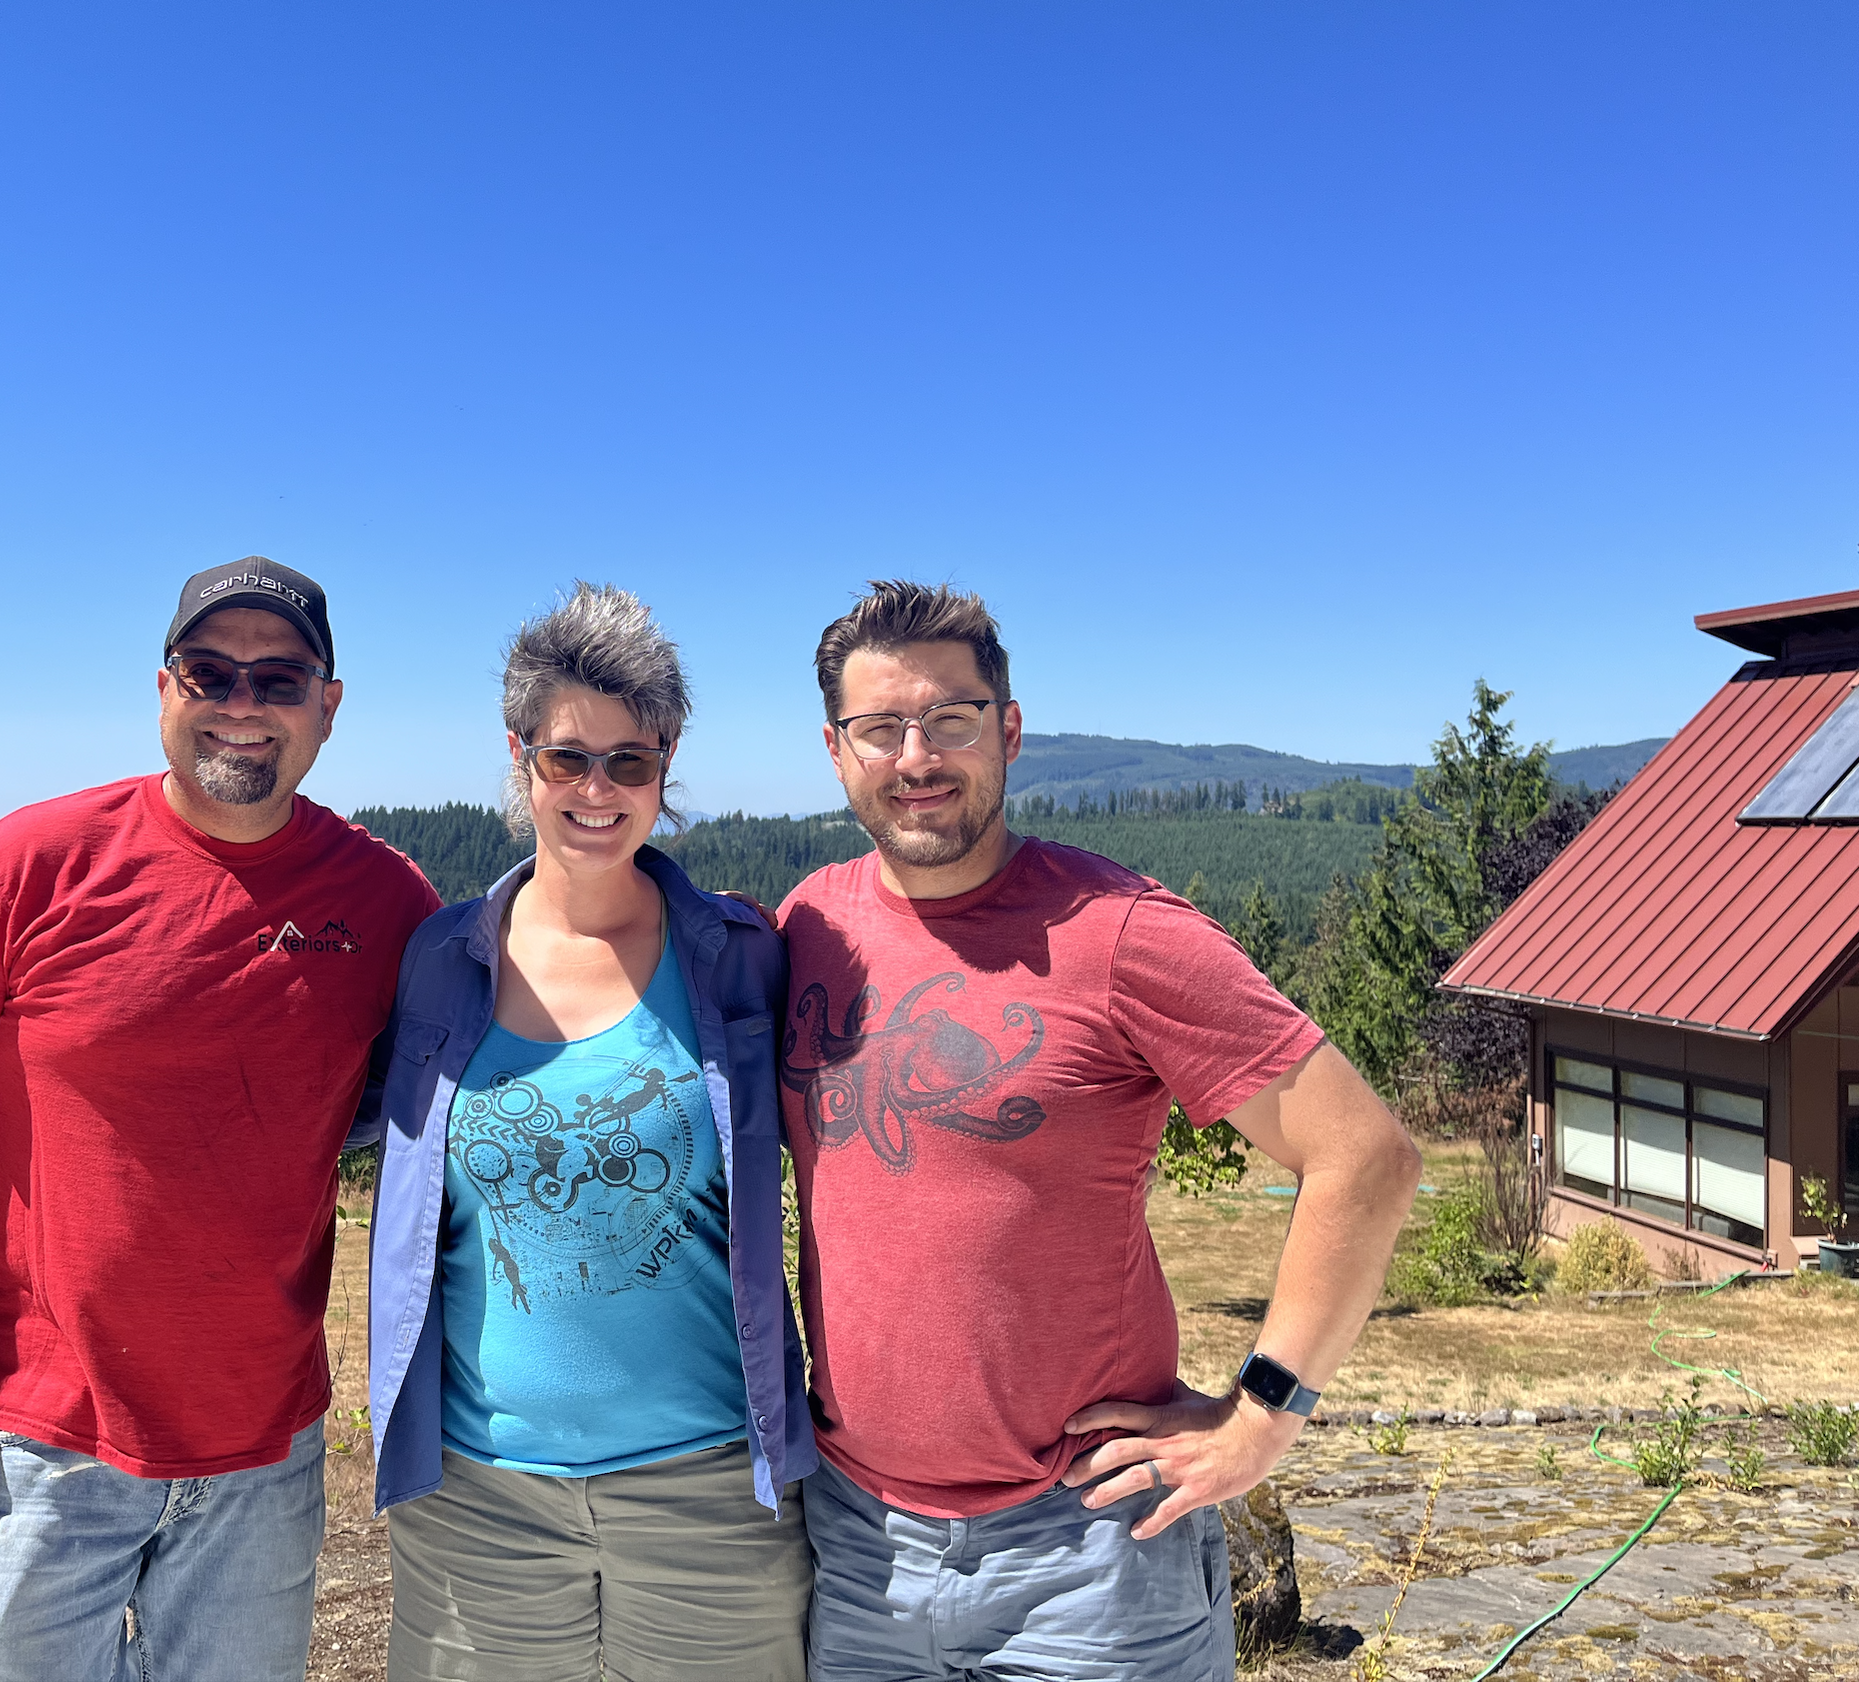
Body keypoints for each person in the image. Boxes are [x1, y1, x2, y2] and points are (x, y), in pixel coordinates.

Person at [776, 581, 1423, 1682]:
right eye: (880, 728)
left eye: (952, 718)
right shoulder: (806, 926)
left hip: (1088, 1552)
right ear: (836, 749)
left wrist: (1261, 1414)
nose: (916, 755)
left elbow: (1363, 1152)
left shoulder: (1120, 931)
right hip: (856, 1541)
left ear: (1010, 729)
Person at [0, 558, 441, 1682]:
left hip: (267, 1457)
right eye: (210, 672)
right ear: (164, 688)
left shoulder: (389, 903)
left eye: (279, 677)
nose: (242, 704)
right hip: (34, 1445)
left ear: (328, 702)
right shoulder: (33, 862)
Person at [364, 583, 817, 1682]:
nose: (598, 789)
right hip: (477, 1498)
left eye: (632, 760)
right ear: (519, 757)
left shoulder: (739, 955)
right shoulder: (438, 958)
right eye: (569, 756)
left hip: (712, 1491)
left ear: (666, 765)